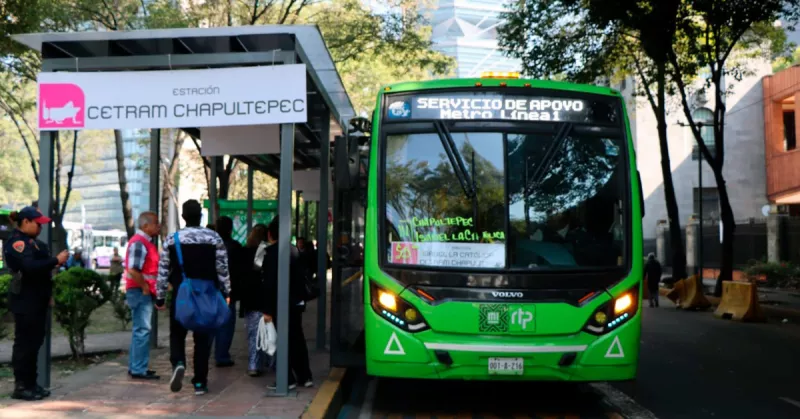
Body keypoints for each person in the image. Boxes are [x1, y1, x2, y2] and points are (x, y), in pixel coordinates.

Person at [155, 200, 230, 396]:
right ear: (201, 217)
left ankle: (178, 362)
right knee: (202, 339)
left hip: (182, 294)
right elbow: (222, 268)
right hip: (207, 294)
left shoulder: (173, 239)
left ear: (184, 217)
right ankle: (200, 383)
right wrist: (227, 292)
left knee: (177, 333)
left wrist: (160, 297)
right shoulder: (214, 238)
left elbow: (163, 271)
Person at [4, 207, 69, 400]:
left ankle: (32, 383)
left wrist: (48, 293)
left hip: (37, 299)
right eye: (37, 223)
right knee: (25, 345)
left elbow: (43, 272)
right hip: (25, 300)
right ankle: (22, 386)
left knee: (35, 343)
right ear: (26, 222)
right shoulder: (17, 243)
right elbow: (31, 267)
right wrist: (55, 260)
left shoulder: (36, 244)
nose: (41, 227)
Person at [262, 217, 313, 390]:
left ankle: (287, 379)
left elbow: (269, 284)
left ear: (270, 234)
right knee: (297, 339)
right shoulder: (294, 251)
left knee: (281, 340)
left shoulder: (271, 254)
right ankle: (305, 376)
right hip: (296, 303)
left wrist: (267, 310)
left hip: (279, 305)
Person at [124, 212, 162, 380]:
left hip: (142, 291)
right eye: (156, 223)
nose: (158, 226)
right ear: (145, 226)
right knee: (142, 330)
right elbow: (133, 269)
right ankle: (139, 369)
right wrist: (145, 287)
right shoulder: (140, 243)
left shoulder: (146, 243)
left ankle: (136, 366)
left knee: (140, 330)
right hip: (140, 292)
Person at [210, 216, 242, 368]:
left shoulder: (210, 245)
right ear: (231, 229)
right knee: (226, 324)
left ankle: (213, 352)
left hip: (211, 289)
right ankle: (222, 355)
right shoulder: (235, 246)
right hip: (228, 291)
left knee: (212, 322)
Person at [239, 224, 269, 376]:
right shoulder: (267, 251)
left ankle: (253, 364)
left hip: (249, 297)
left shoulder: (244, 252)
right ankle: (265, 362)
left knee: (252, 332)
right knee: (267, 331)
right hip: (265, 296)